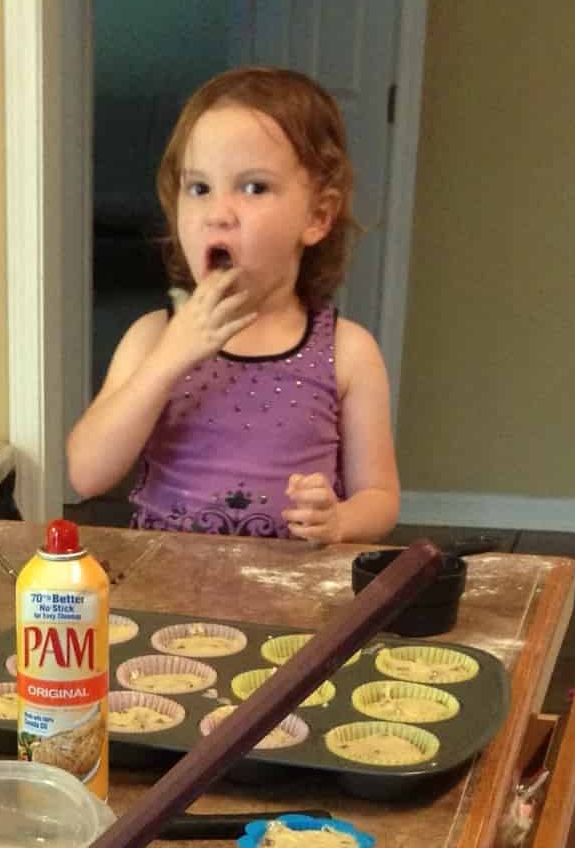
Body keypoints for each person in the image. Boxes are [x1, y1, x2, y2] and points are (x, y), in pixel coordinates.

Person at [67, 66, 399, 545]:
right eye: (199, 188)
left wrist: (341, 520)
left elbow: (380, 496)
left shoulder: (348, 352)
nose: (218, 213)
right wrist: (168, 360)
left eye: (254, 187)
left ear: (317, 216)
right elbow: (86, 474)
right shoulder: (151, 338)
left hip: (290, 601)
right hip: (169, 599)